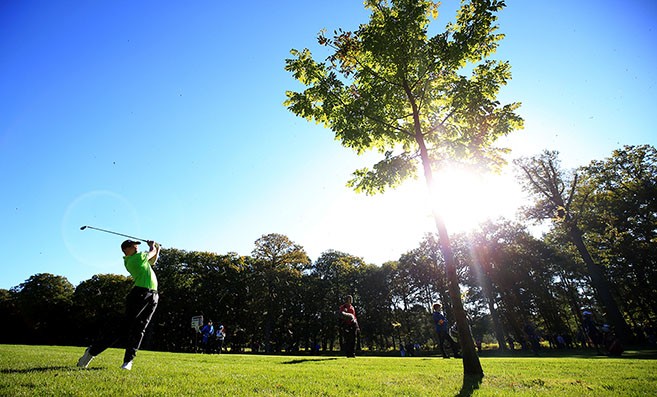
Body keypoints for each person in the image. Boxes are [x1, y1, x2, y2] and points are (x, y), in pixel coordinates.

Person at [77, 239, 160, 371]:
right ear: (126, 250)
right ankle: (91, 353)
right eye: (133, 246)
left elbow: (153, 261)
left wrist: (157, 249)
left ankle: (128, 361)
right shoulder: (134, 259)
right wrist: (153, 246)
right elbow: (152, 253)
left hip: (153, 295)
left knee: (140, 329)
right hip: (140, 294)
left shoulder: (140, 258)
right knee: (124, 329)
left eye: (137, 245)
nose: (136, 247)